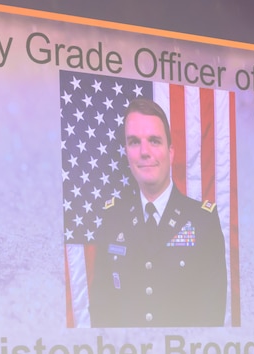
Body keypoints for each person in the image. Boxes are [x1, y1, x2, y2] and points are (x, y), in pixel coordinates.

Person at [89, 98, 227, 327]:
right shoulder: (113, 219)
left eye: (154, 141)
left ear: (170, 152)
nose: (144, 152)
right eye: (134, 142)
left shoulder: (203, 222)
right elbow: (101, 308)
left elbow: (212, 314)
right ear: (126, 152)